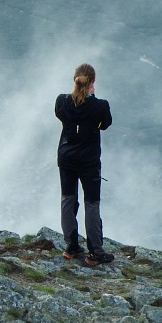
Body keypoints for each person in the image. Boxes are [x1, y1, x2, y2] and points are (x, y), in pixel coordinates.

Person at [55, 63, 113, 263]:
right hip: (88, 161)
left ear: (75, 80)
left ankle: (71, 247)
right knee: (91, 203)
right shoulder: (100, 106)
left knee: (68, 199)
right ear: (92, 82)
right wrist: (91, 98)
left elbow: (60, 114)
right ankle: (95, 251)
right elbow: (105, 124)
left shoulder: (62, 101)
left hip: (66, 158)